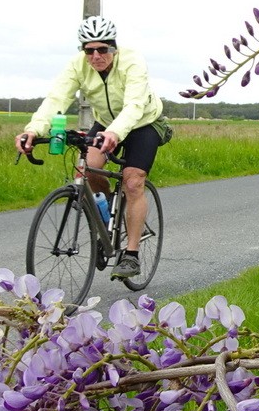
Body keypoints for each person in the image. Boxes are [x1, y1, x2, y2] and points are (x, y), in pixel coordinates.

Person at [15, 15, 166, 281]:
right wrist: (33, 129)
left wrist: (115, 134)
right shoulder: (77, 66)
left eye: (102, 49)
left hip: (143, 122)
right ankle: (107, 211)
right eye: (89, 50)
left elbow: (134, 105)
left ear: (113, 48)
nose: (96, 55)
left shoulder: (132, 61)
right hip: (106, 122)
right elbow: (56, 99)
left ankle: (131, 254)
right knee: (89, 167)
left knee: (132, 182)